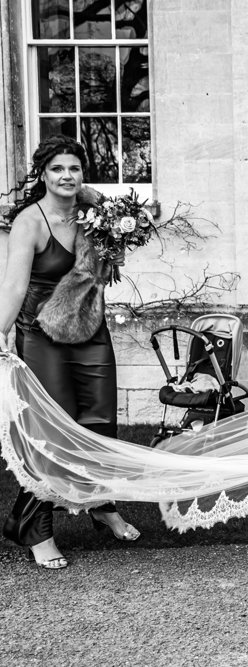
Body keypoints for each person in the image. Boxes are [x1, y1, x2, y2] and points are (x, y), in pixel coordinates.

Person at [0, 135, 140, 570]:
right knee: (51, 432)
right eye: (58, 168)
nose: (67, 176)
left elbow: (115, 249)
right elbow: (15, 284)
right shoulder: (30, 221)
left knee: (100, 421)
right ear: (43, 173)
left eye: (74, 168)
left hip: (89, 328)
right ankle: (35, 529)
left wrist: (112, 226)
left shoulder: (94, 213)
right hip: (41, 333)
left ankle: (101, 503)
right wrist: (0, 330)